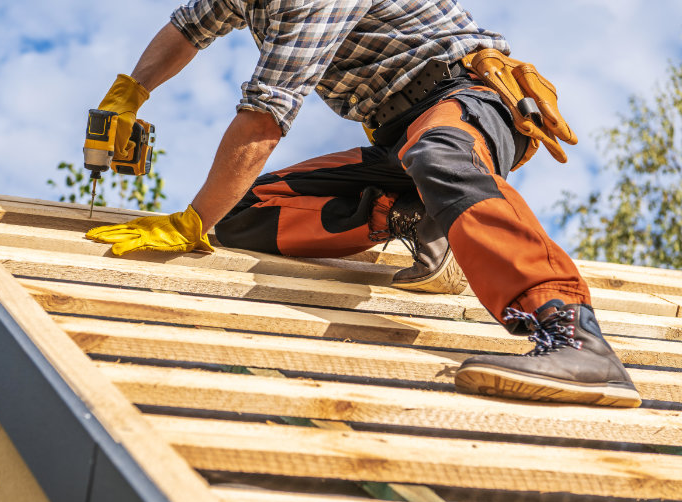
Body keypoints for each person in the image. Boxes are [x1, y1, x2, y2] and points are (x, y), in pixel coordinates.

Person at [86, 0, 642, 408]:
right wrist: (131, 92)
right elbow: (188, 28)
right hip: (398, 139)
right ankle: (414, 215)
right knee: (239, 212)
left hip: (465, 100)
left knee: (439, 155)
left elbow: (265, 117)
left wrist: (190, 222)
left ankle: (573, 333)